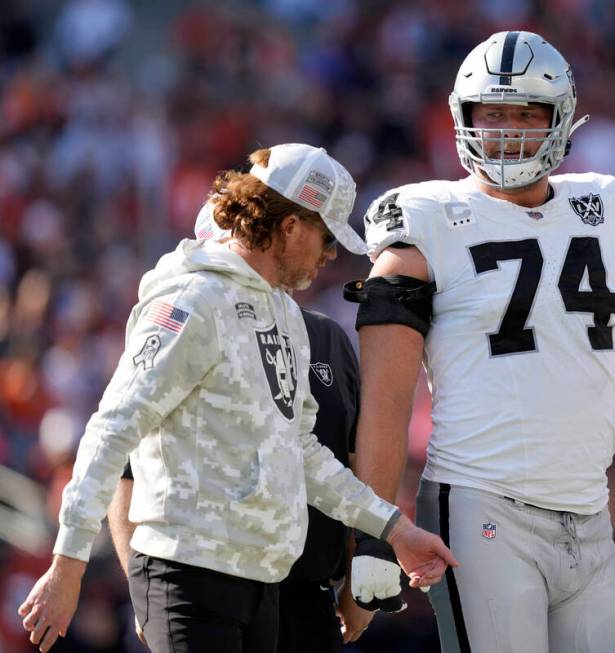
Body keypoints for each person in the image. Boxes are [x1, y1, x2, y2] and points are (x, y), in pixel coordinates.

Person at [344, 31, 615, 652]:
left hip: (590, 519)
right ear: (463, 117)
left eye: (527, 112)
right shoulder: (424, 219)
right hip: (479, 511)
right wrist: (373, 530)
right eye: (491, 113)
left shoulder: (606, 206)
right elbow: (385, 400)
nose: (508, 129)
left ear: (563, 118)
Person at [18, 143, 457, 653]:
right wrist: (68, 564)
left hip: (262, 581)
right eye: (325, 236)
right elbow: (112, 430)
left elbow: (304, 452)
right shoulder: (192, 301)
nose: (330, 254)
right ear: (290, 226)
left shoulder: (286, 316)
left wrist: (396, 530)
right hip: (191, 575)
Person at [105, 198, 376, 651]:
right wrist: (143, 587)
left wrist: (363, 569)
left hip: (308, 590)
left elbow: (350, 462)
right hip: (208, 575)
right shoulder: (187, 318)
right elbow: (127, 471)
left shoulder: (326, 337)